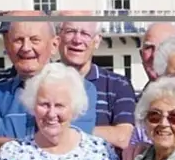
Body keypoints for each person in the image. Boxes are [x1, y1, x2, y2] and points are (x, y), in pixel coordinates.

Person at [0, 15, 71, 150]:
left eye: (35, 40)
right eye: (18, 40)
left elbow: (77, 140)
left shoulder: (72, 89)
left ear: (54, 45)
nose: (26, 48)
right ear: (8, 45)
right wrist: (27, 148)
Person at [56, 14, 136, 149]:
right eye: (70, 32)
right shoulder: (43, 82)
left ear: (97, 41)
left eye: (85, 34)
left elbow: (123, 137)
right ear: (58, 38)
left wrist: (62, 129)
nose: (77, 40)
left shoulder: (118, 84)